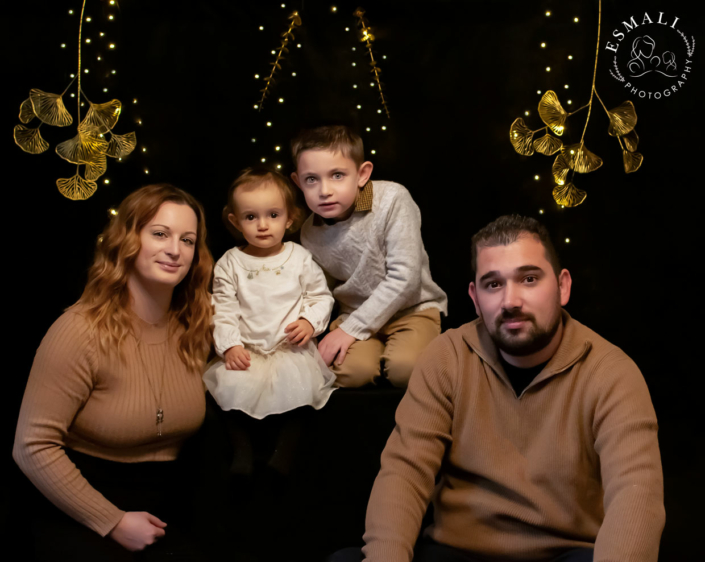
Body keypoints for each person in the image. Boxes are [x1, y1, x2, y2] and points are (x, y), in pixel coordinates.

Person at [334, 215, 665, 562]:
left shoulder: (612, 372)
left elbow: (636, 494)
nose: (511, 301)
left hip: (565, 554)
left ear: (563, 286)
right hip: (459, 552)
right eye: (494, 285)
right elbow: (404, 473)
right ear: (475, 299)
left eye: (529, 279)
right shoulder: (447, 357)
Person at [13, 184, 214, 561]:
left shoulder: (199, 329)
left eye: (188, 240)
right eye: (159, 234)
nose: (175, 250)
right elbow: (31, 446)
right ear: (127, 240)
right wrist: (112, 521)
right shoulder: (79, 330)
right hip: (76, 509)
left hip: (164, 514)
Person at [203, 168, 335, 480]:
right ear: (235, 221)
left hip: (288, 350)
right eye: (251, 217)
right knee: (228, 392)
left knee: (302, 394)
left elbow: (320, 296)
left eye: (273, 215)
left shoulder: (299, 258)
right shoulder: (230, 263)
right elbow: (223, 307)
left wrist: (308, 321)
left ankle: (283, 454)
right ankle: (242, 451)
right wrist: (229, 344)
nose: (263, 225)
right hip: (247, 349)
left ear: (289, 218)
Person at [291, 125, 448, 388]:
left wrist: (349, 331)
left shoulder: (392, 199)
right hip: (353, 312)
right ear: (298, 182)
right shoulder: (309, 232)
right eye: (311, 179)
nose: (324, 190)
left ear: (362, 174)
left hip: (411, 310)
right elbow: (321, 289)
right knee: (351, 373)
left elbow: (405, 278)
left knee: (405, 369)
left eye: (337, 175)